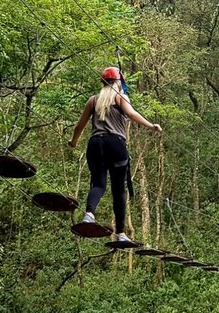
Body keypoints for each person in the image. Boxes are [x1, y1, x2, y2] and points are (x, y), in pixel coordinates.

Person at [68, 67, 162, 242]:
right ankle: (121, 234)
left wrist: (73, 142)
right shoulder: (120, 97)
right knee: (119, 190)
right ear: (118, 82)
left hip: (95, 144)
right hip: (115, 144)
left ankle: (89, 214)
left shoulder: (93, 100)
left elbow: (78, 127)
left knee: (98, 184)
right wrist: (151, 126)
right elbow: (132, 114)